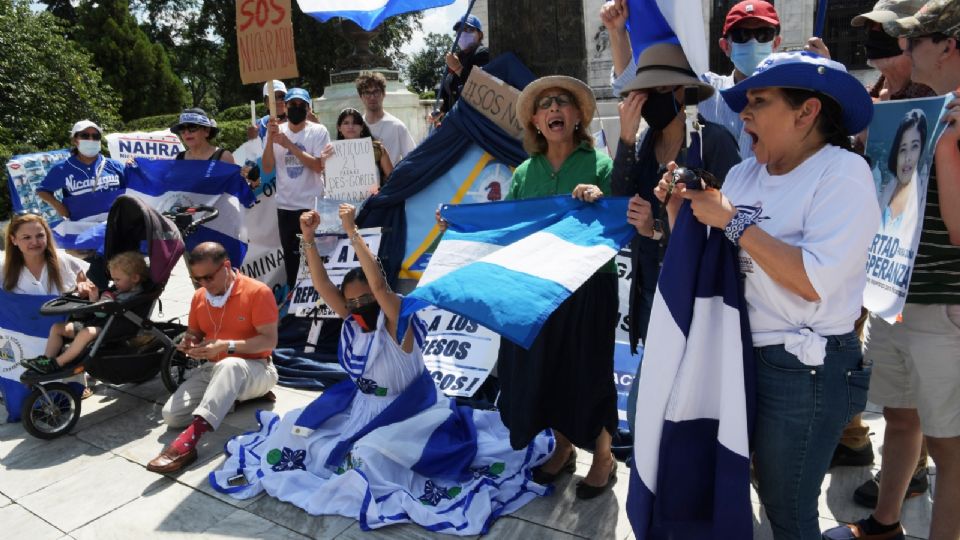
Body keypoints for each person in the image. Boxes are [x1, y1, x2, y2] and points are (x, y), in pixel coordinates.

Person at [207, 206, 553, 535]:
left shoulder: (396, 322)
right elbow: (324, 284)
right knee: (296, 432)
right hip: (363, 407)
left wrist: (352, 232)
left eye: (364, 299)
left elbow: (379, 288)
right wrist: (307, 239)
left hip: (410, 413)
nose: (359, 305)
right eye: (352, 301)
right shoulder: (352, 323)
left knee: (367, 456)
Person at [656, 52, 878, 538]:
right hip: (740, 355)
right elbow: (715, 263)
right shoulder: (742, 176)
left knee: (787, 508)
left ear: (807, 112)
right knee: (740, 481)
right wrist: (681, 210)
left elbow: (813, 281)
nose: (744, 114)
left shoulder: (842, 174)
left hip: (804, 372)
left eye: (759, 101)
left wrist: (733, 221)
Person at [824, 2, 960, 538]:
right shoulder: (914, 107)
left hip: (943, 309)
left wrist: (946, 149)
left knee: (951, 452)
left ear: (948, 45)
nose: (901, 50)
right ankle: (886, 523)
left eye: (912, 40)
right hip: (895, 296)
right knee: (901, 418)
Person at [495, 75, 619, 500]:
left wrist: (599, 198)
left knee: (590, 373)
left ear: (577, 115)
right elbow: (509, 229)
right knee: (548, 372)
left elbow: (620, 223)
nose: (554, 109)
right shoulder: (524, 172)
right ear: (534, 120)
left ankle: (603, 456)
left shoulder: (601, 165)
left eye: (562, 102)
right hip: (538, 287)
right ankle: (563, 448)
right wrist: (458, 226)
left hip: (589, 287)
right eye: (545, 104)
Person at [611, 42, 741, 431]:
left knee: (688, 398)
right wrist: (626, 140)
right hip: (653, 287)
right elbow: (622, 204)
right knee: (653, 399)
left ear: (681, 94)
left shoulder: (711, 141)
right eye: (643, 92)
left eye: (659, 91)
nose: (648, 100)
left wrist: (658, 228)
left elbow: (729, 222)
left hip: (700, 288)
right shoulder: (645, 143)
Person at [147, 242, 279, 474]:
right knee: (172, 416)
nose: (204, 285)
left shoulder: (257, 292)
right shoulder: (200, 297)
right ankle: (232, 399)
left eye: (209, 278)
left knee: (230, 364)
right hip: (214, 369)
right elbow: (194, 332)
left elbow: (269, 341)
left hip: (257, 368)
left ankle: (189, 442)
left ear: (226, 266)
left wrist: (227, 346)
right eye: (198, 280)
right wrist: (190, 343)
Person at [2, 213, 98, 398]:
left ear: (47, 235)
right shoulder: (5, 268)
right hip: (25, 335)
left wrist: (84, 286)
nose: (34, 241)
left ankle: (77, 379)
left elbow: (90, 286)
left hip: (59, 332)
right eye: (26, 237)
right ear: (14, 240)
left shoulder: (62, 260)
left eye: (40, 235)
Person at [19, 251, 147, 374]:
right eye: (113, 279)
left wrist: (104, 300)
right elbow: (99, 313)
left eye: (117, 280)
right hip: (100, 323)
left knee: (86, 333)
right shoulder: (119, 290)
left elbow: (102, 313)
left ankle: (58, 362)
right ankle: (46, 360)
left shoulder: (134, 296)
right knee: (57, 328)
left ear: (135, 278)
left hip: (115, 327)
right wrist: (94, 298)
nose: (115, 283)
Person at [261, 87, 331, 292]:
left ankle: (320, 297)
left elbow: (318, 166)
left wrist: (289, 145)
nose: (297, 108)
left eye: (302, 105)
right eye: (293, 105)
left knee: (315, 259)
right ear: (285, 106)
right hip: (286, 206)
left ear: (308, 108)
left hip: (311, 205)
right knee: (291, 261)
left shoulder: (318, 131)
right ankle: (295, 301)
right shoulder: (277, 130)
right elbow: (266, 167)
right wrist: (270, 140)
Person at [36, 120, 125, 222]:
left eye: (96, 136)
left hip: (114, 226)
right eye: (85, 136)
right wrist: (59, 207)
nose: (91, 139)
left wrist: (134, 165)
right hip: (80, 229)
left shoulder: (115, 166)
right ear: (75, 140)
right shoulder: (62, 168)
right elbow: (42, 191)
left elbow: (132, 189)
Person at [880, 108, 928, 233]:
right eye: (903, 149)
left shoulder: (924, 199)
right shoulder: (883, 193)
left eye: (914, 147)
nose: (907, 158)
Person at [356, 71, 416, 165]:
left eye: (376, 92)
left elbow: (412, 160)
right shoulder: (355, 128)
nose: (372, 97)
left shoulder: (397, 126)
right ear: (361, 97)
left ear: (384, 94)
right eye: (367, 93)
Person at [438, 14, 490, 116]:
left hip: (473, 121)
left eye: (469, 29)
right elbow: (449, 91)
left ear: (480, 35)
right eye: (459, 30)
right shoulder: (455, 58)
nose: (463, 33)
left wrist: (458, 68)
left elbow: (483, 90)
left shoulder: (483, 54)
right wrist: (441, 111)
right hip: (455, 120)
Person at [335, 107, 394, 187]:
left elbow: (393, 179)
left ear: (362, 127)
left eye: (355, 123)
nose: (351, 126)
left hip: (374, 199)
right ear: (339, 128)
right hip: (343, 199)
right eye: (346, 123)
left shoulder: (377, 149)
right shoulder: (331, 152)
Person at [170, 108, 235, 163]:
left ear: (207, 131)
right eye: (182, 128)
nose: (186, 132)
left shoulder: (223, 157)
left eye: (192, 127)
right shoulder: (178, 159)